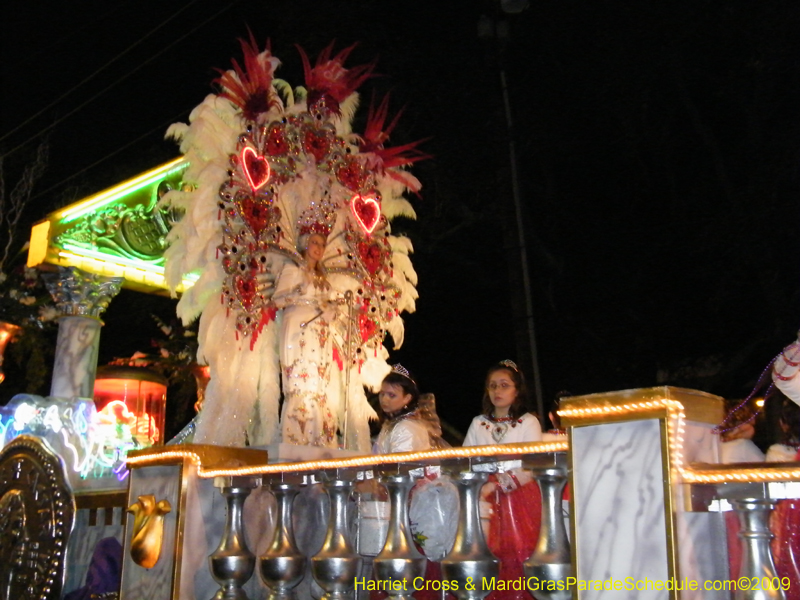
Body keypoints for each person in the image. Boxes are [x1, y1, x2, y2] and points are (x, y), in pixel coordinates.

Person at [462, 359, 543, 600]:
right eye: (492, 385)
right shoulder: (479, 423)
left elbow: (531, 465)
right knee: (485, 553)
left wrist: (498, 484)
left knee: (518, 552)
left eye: (504, 385)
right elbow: (465, 459)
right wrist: (480, 487)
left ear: (517, 389)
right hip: (484, 497)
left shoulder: (528, 421)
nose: (497, 391)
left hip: (519, 496)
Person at [274, 231, 340, 447]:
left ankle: (318, 434)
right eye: (314, 242)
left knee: (319, 381)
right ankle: (296, 436)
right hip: (298, 327)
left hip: (320, 333)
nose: (318, 248)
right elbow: (278, 301)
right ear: (304, 244)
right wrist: (297, 291)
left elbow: (331, 312)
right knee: (300, 380)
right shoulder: (293, 270)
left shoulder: (324, 279)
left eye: (322, 244)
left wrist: (330, 309)